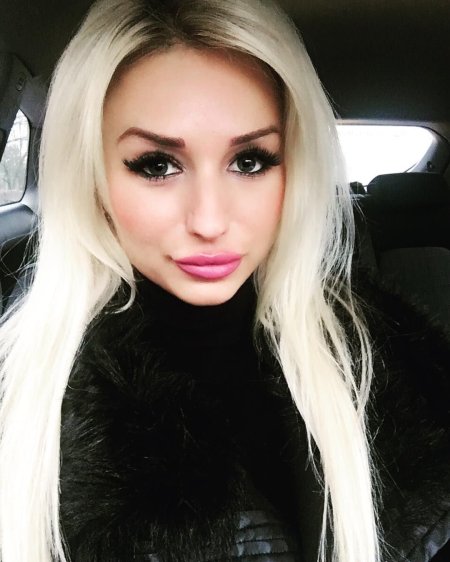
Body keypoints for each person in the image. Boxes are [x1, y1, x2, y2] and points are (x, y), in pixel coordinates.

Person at [0, 0, 448, 561]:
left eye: (251, 161)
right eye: (157, 165)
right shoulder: (21, 393)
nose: (209, 221)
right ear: (91, 175)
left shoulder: (401, 366)